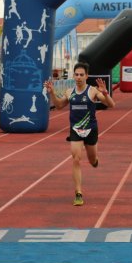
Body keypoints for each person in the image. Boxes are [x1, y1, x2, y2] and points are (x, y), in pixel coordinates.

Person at [44, 61, 115, 206]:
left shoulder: (93, 91)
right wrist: (51, 93)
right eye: (76, 74)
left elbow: (111, 104)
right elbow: (58, 106)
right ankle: (78, 193)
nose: (78, 77)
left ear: (87, 76)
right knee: (76, 158)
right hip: (75, 130)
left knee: (91, 159)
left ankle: (95, 160)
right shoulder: (70, 92)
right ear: (73, 76)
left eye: (81, 75)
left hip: (91, 130)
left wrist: (105, 93)